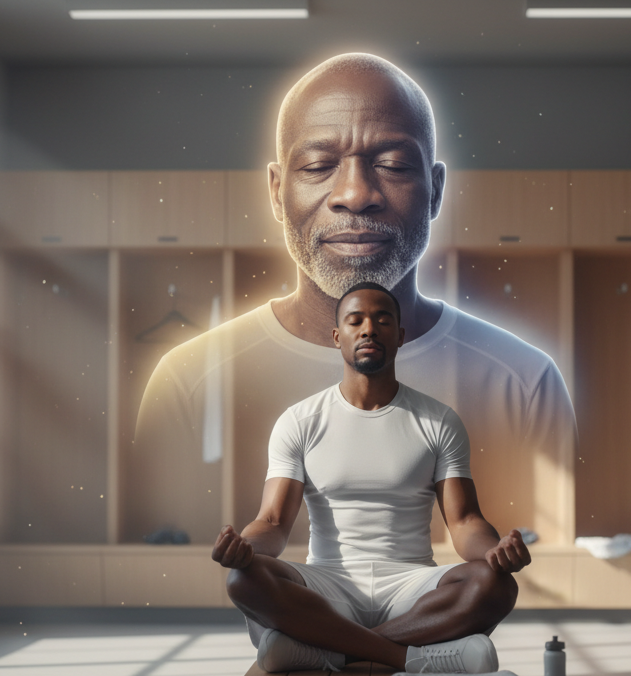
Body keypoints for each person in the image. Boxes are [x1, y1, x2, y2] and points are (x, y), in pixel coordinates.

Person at [129, 52, 574, 562]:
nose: (355, 194)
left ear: (435, 191)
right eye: (318, 166)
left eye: (393, 165)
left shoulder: (527, 381)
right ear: (277, 192)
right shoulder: (185, 379)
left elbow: (473, 525)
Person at [213, 282, 531, 672]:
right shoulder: (299, 421)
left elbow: (464, 521)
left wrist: (493, 552)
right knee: (242, 580)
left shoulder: (439, 420)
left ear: (399, 335)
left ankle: (330, 650)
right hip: (327, 586)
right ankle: (405, 656)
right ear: (337, 337)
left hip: (412, 587)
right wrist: (246, 549)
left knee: (496, 584)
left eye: (382, 320)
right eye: (356, 321)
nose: (369, 329)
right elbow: (273, 521)